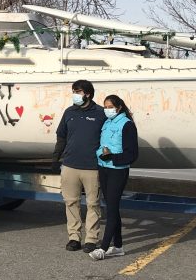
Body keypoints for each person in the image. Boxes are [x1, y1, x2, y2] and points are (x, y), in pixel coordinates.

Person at [52, 79, 105, 253]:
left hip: (92, 167)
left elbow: (110, 137)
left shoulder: (100, 113)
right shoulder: (69, 112)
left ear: (87, 94)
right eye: (74, 91)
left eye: (78, 91)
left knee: (93, 204)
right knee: (71, 202)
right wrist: (55, 158)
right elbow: (61, 136)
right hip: (70, 165)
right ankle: (74, 237)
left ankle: (91, 239)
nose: (75, 94)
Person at [89, 94, 138, 261]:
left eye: (110, 107)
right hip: (104, 168)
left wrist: (111, 157)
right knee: (111, 206)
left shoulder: (127, 125)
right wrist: (101, 156)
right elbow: (101, 146)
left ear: (119, 107)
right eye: (105, 107)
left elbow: (132, 154)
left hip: (118, 170)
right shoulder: (107, 122)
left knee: (111, 208)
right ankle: (118, 246)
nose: (107, 110)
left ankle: (103, 248)